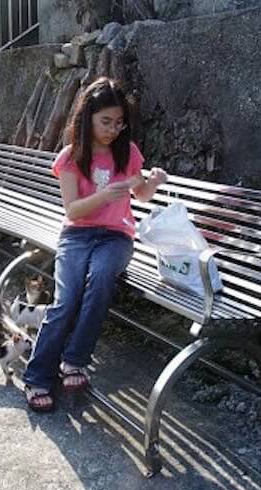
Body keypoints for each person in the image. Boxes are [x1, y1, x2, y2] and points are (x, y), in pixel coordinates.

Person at [23, 77, 168, 412]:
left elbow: (141, 193)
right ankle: (37, 376)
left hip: (116, 237)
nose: (113, 130)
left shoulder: (127, 152)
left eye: (119, 123)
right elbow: (72, 210)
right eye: (106, 122)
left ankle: (74, 360)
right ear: (87, 117)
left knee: (101, 277)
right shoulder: (71, 157)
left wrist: (154, 181)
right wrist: (104, 195)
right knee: (66, 299)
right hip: (76, 235)